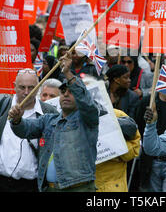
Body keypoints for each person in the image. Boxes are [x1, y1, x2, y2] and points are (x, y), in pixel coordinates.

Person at [8, 51, 101, 192]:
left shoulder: (87, 119)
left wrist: (68, 73)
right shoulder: (49, 119)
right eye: (63, 92)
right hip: (49, 188)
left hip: (78, 188)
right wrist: (17, 120)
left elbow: (87, 103)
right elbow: (25, 129)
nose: (66, 95)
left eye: (71, 92)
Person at [0, 68, 58, 192]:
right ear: (14, 86)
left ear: (38, 87)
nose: (26, 92)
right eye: (22, 87)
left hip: (31, 186)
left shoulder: (49, 113)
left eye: (31, 88)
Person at [95, 108, 141, 192]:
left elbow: (133, 151)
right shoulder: (69, 118)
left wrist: (111, 143)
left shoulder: (118, 115)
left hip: (111, 187)